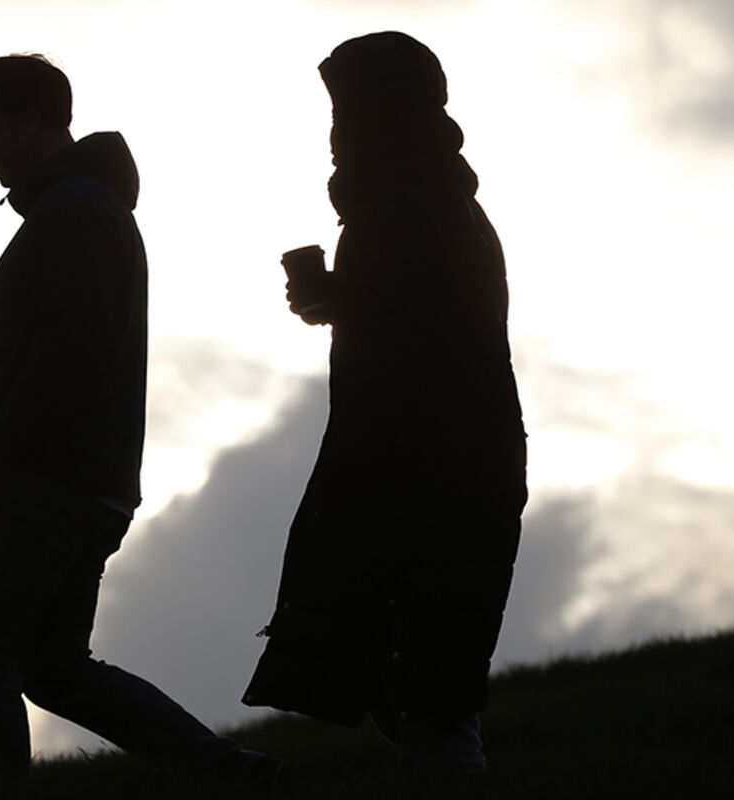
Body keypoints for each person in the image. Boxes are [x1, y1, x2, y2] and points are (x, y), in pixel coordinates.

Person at [0, 54, 282, 796]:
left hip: (42, 481)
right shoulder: (88, 207)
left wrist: (4, 445)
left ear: (32, 121)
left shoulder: (73, 211)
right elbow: (76, 347)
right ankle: (235, 775)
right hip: (87, 479)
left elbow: (72, 351)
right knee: (53, 667)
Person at [242, 32, 528, 775]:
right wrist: (341, 299)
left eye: (346, 114)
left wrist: (342, 298)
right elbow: (422, 314)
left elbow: (424, 334)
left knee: (424, 686)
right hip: (449, 463)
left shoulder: (404, 203)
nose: (334, 134)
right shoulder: (432, 199)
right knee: (411, 676)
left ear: (380, 114)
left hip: (425, 472)